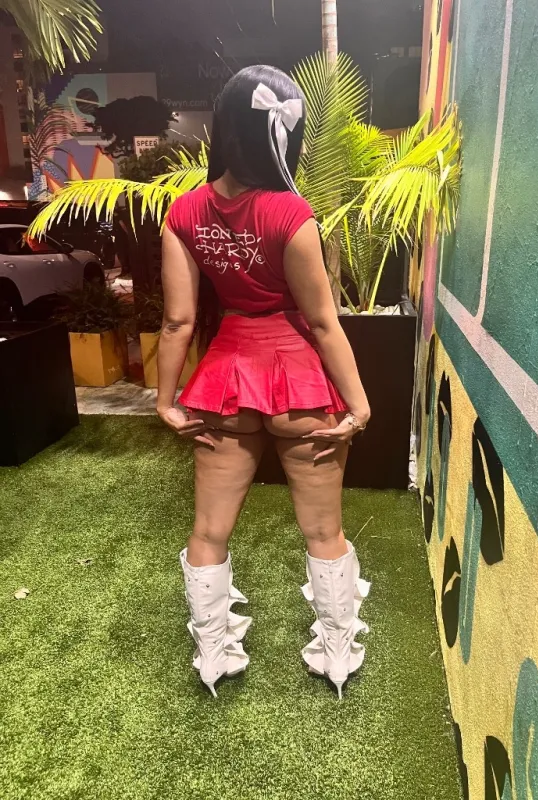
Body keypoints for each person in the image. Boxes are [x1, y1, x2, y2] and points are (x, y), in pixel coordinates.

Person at [157, 65, 371, 700]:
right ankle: (336, 655)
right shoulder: (291, 213)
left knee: (209, 531)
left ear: (222, 128)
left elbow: (178, 322)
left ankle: (215, 654)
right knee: (323, 531)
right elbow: (323, 323)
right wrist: (359, 406)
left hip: (224, 384)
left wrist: (165, 402)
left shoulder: (183, 213)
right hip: (300, 385)